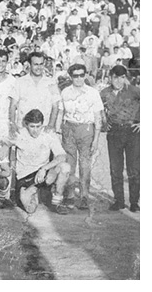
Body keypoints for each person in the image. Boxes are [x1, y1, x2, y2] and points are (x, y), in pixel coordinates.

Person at [59, 64, 103, 210]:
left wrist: (96, 139)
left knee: (85, 165)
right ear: (71, 77)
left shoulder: (92, 92)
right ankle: (70, 196)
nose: (79, 78)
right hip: (69, 128)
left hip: (86, 130)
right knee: (69, 164)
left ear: (85, 75)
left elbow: (98, 117)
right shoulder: (65, 92)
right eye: (75, 76)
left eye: (81, 75)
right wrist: (60, 133)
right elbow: (61, 113)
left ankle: (84, 197)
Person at [12, 109, 72, 215]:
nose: (35, 130)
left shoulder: (48, 134)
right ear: (26, 125)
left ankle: (57, 201)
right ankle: (33, 192)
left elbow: (62, 156)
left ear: (42, 125)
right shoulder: (20, 134)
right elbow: (3, 142)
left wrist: (44, 168)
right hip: (25, 177)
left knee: (65, 167)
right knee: (30, 209)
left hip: (43, 175)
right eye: (32, 126)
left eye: (38, 126)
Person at [100, 65, 140, 212]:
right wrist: (104, 124)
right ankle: (119, 201)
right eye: (115, 77)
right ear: (110, 77)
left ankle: (134, 202)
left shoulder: (134, 90)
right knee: (115, 169)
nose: (118, 80)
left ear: (125, 78)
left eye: (122, 77)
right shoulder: (104, 93)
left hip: (132, 131)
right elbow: (98, 111)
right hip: (114, 132)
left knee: (134, 169)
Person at [10, 52, 60, 137]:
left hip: (44, 129)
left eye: (41, 64)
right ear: (29, 64)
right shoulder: (19, 82)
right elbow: (13, 105)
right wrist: (13, 124)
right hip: (23, 129)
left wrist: (51, 125)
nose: (39, 67)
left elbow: (55, 106)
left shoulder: (51, 83)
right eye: (36, 64)